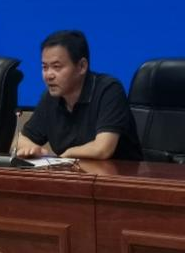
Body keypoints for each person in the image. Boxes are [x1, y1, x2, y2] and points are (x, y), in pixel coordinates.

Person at [15, 30, 142, 160]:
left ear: (82, 66)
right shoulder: (50, 98)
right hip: (72, 171)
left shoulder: (109, 90)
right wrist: (32, 148)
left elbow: (103, 149)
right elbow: (20, 139)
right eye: (44, 67)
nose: (48, 75)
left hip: (121, 172)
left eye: (56, 67)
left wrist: (65, 156)